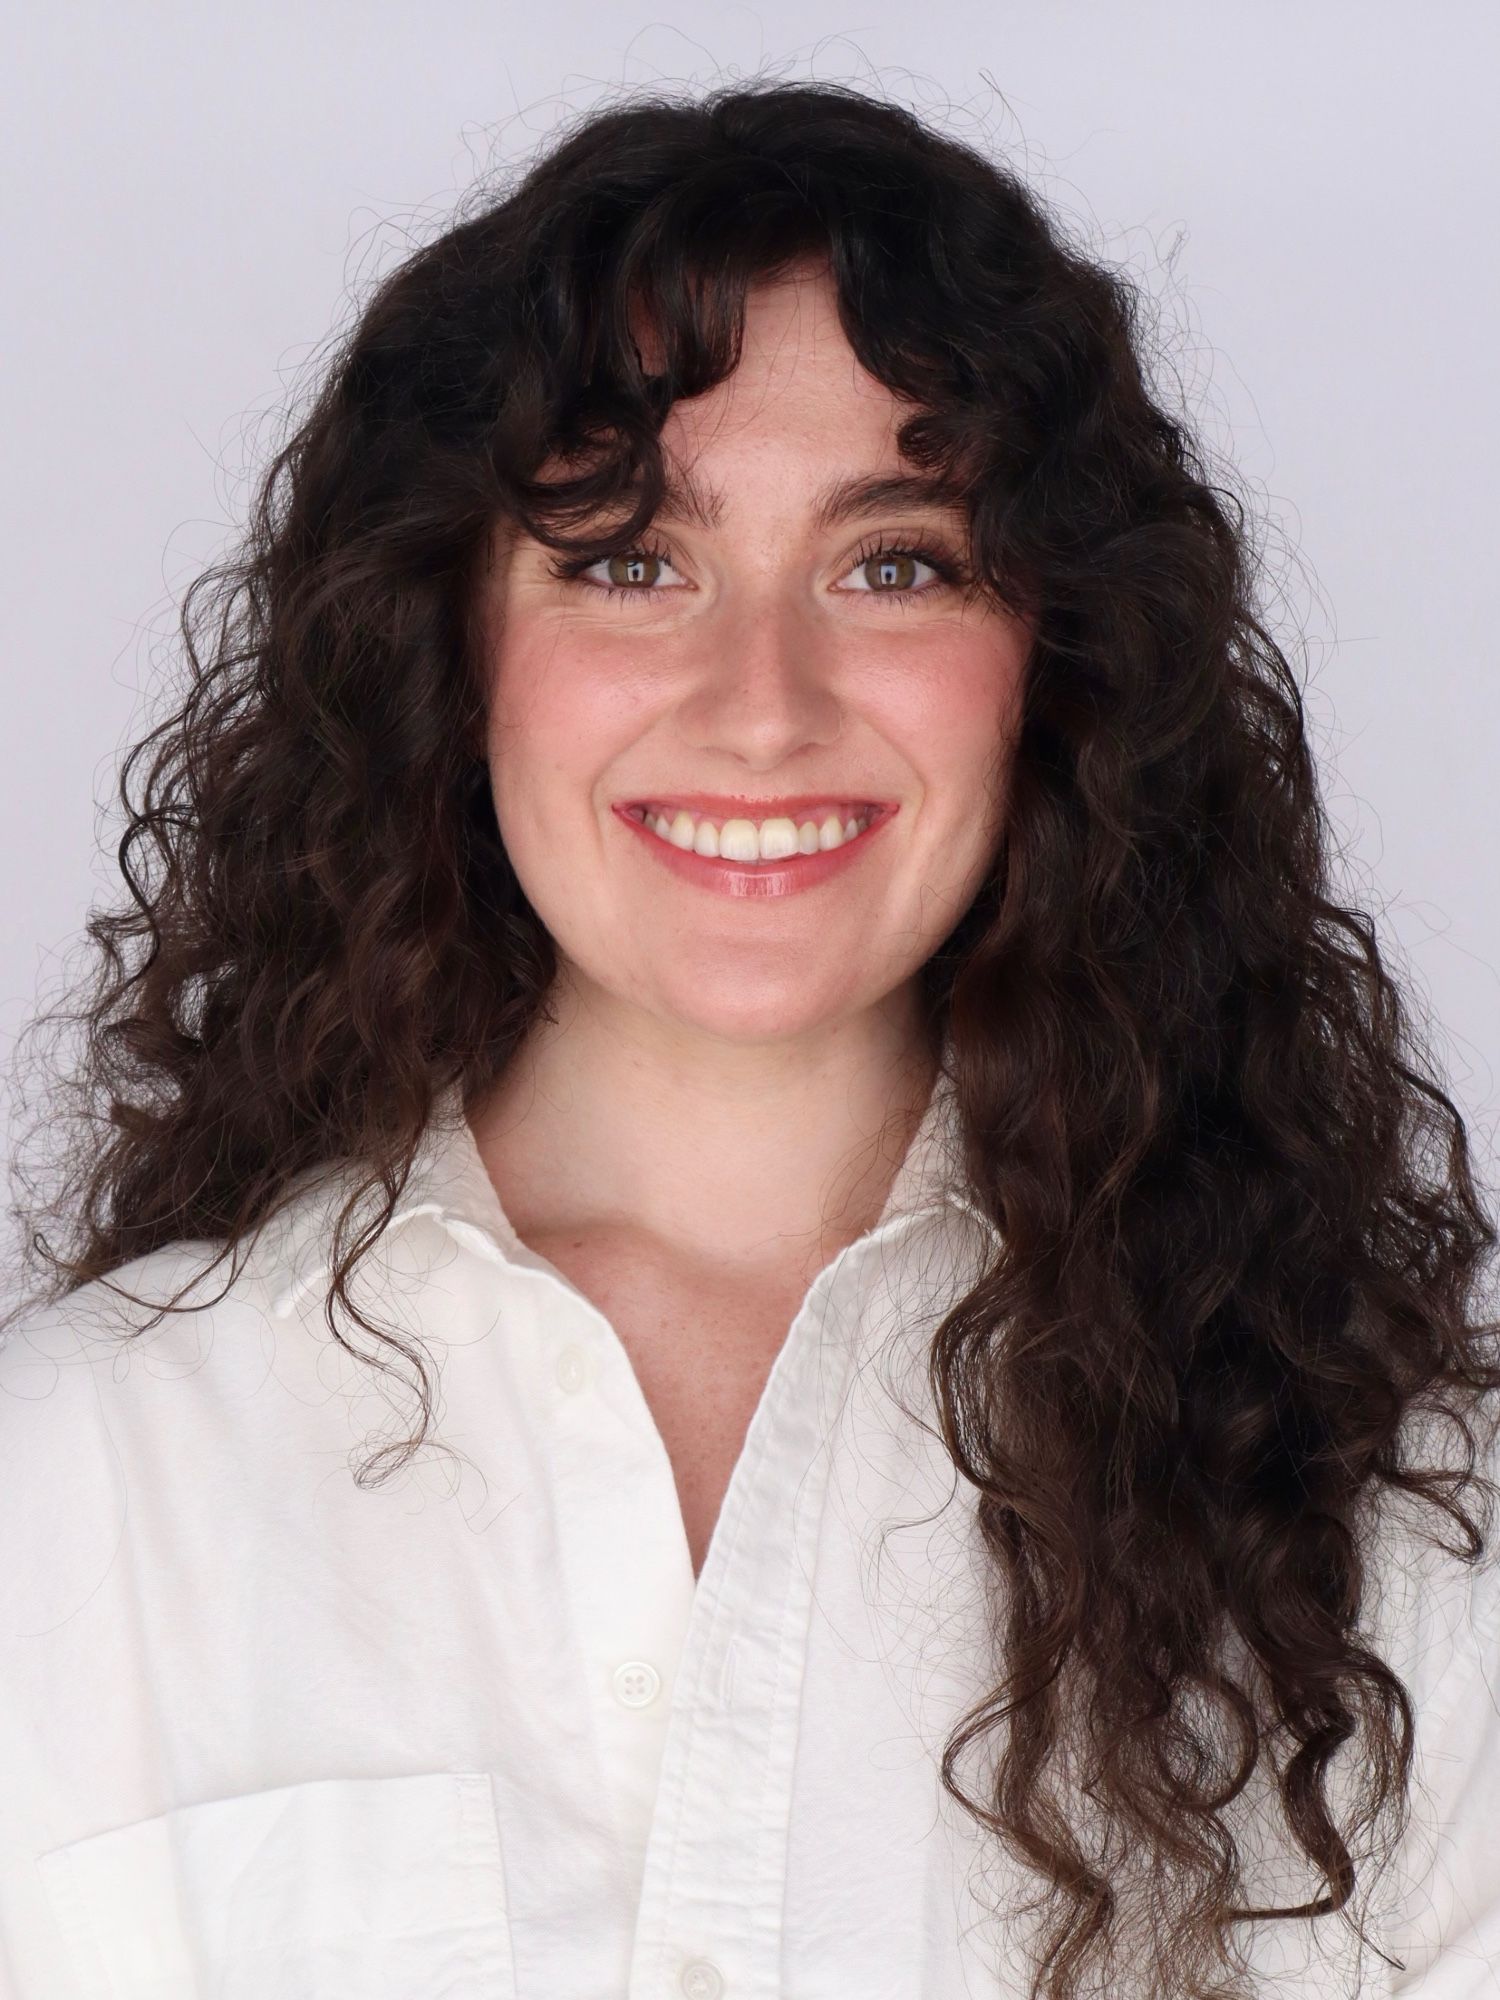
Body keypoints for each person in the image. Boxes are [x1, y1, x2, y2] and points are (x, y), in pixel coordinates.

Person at [1, 77, 1497, 2000]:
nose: (762, 706)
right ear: (453, 651)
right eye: (629, 557)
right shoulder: (71, 1499)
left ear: (1056, 666)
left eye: (894, 563)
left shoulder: (1391, 1549)